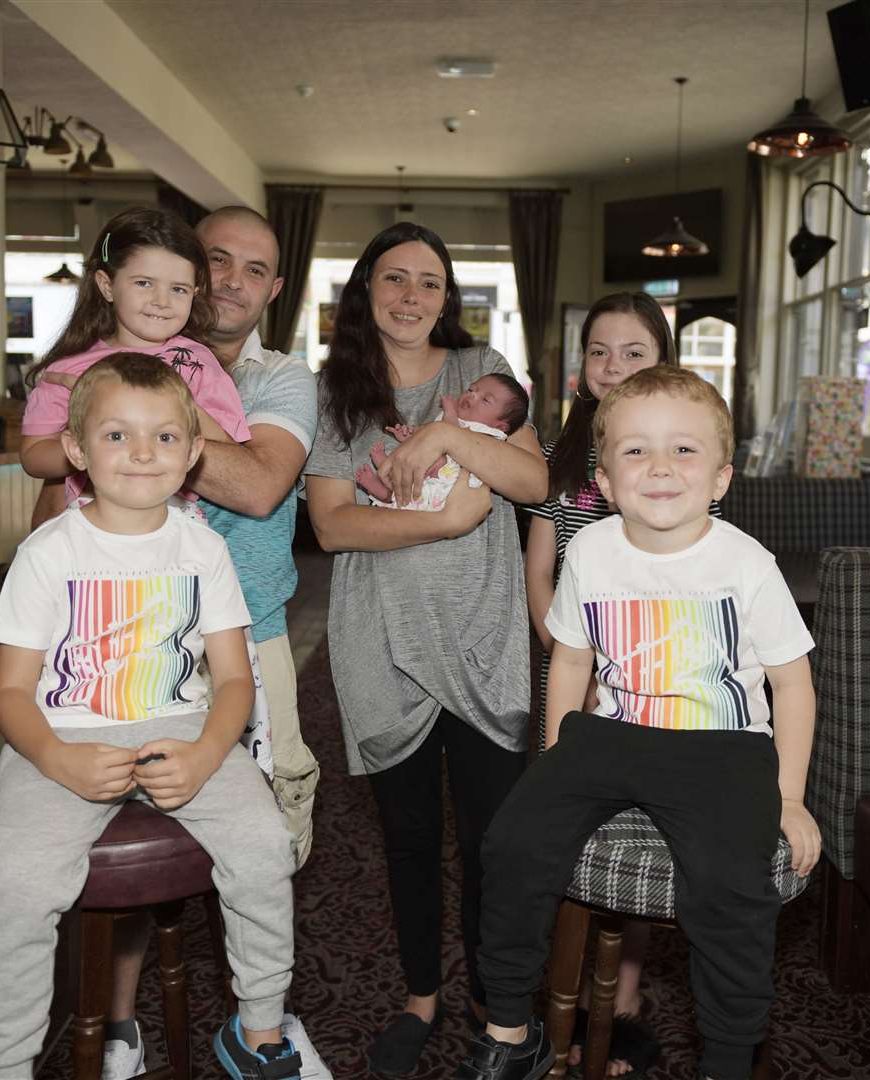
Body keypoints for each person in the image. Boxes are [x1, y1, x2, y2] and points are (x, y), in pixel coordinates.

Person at [456, 366, 821, 1080]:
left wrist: (788, 795)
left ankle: (727, 1057)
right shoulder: (589, 551)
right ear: (605, 478)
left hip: (723, 748)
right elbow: (569, 662)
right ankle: (508, 1029)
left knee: (726, 885)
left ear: (720, 477)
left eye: (683, 451)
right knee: (513, 839)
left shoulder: (745, 564)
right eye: (635, 451)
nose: (659, 466)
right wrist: (554, 762)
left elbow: (792, 685)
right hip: (610, 735)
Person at [0, 353, 305, 1080]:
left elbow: (234, 681)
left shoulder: (203, 549)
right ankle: (4, 1064)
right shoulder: (47, 552)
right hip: (60, 735)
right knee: (16, 888)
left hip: (181, 728)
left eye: (163, 437)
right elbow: (10, 695)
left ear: (191, 454)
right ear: (78, 450)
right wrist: (57, 759)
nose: (142, 453)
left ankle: (262, 1024)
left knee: (262, 844)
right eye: (117, 436)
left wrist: (210, 751)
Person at [302, 221, 547, 1077]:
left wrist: (445, 437)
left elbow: (532, 482)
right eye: (395, 279)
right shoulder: (336, 391)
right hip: (382, 642)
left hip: (481, 636)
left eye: (430, 283)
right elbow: (331, 526)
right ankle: (419, 996)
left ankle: (491, 995)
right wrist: (440, 518)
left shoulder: (478, 371)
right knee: (406, 839)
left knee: (491, 839)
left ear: (449, 298)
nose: (412, 297)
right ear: (365, 289)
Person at [99, 206, 331, 1080]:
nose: (232, 280)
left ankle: (256, 1023)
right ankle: (118, 1022)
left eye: (255, 268)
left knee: (266, 833)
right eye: (216, 260)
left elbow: (264, 483)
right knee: (123, 816)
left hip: (254, 633)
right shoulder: (119, 359)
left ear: (275, 287)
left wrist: (136, 428)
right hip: (131, 638)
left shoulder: (282, 379)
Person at [519, 292, 709, 1078]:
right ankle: (557, 993)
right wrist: (571, 660)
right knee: (561, 832)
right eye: (599, 351)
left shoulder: (680, 456)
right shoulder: (559, 463)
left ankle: (622, 1004)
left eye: (633, 352)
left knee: (637, 836)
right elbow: (537, 574)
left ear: (661, 359)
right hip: (567, 676)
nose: (613, 366)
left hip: (650, 683)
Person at [18, 206, 249, 520]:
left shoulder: (197, 363)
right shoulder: (68, 371)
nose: (161, 301)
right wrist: (90, 450)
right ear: (107, 285)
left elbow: (229, 442)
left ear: (194, 294)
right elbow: (33, 456)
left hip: (175, 522)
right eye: (144, 283)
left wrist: (174, 404)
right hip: (90, 524)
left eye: (178, 289)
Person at [356, 373, 530, 510]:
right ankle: (383, 484)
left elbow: (451, 435)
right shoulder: (451, 418)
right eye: (471, 389)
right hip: (431, 478)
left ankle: (383, 478)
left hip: (450, 483)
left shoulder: (489, 434)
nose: (473, 396)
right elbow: (429, 438)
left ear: (500, 426)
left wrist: (449, 413)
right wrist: (409, 436)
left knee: (429, 463)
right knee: (409, 467)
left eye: (485, 400)